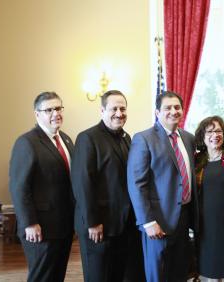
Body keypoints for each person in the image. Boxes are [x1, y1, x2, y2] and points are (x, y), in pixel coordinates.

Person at [71, 90, 145, 282]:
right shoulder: (88, 138)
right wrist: (93, 222)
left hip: (123, 224)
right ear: (102, 110)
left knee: (117, 276)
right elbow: (83, 184)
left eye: (123, 109)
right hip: (99, 225)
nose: (119, 113)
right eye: (114, 109)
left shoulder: (127, 138)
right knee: (99, 277)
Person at [127, 91, 198, 282]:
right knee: (157, 274)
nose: (173, 111)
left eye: (177, 107)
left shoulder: (189, 139)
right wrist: (148, 222)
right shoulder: (144, 139)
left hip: (183, 217)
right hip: (157, 219)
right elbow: (137, 184)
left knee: (179, 271)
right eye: (167, 108)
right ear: (157, 112)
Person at [9, 92, 74, 282]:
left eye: (58, 108)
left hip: (64, 225)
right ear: (37, 114)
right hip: (40, 228)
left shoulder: (66, 139)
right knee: (42, 277)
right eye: (49, 110)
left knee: (56, 276)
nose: (56, 113)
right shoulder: (27, 142)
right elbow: (19, 187)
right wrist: (29, 222)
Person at [194, 116, 224, 282]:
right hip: (205, 225)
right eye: (210, 131)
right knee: (209, 272)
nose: (215, 134)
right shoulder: (196, 161)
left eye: (218, 130)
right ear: (202, 136)